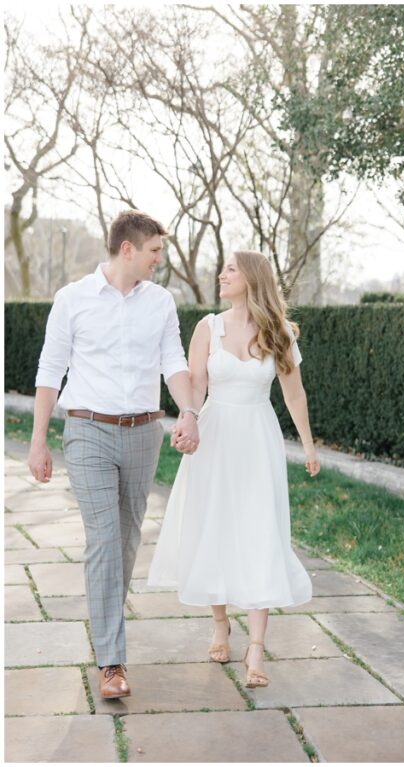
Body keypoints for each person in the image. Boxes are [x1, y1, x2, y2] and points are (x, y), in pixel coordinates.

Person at [29, 210, 201, 699]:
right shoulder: (72, 299)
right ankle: (111, 662)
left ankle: (107, 626)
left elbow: (174, 361)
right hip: (87, 431)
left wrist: (189, 412)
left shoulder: (161, 302)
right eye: (153, 252)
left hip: (143, 433)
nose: (158, 261)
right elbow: (49, 369)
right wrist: (39, 440)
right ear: (127, 248)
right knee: (105, 538)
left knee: (126, 542)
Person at [148, 250, 319, 688]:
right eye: (222, 268)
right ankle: (220, 625)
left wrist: (308, 445)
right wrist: (188, 422)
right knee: (217, 528)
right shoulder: (208, 326)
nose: (221, 274)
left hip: (258, 439)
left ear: (252, 277)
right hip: (216, 435)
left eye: (230, 269)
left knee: (260, 532)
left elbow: (294, 394)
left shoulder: (277, 331)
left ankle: (257, 649)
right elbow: (196, 387)